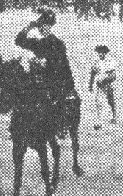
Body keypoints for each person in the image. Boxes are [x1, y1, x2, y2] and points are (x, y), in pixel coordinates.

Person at [14, 8, 76, 137]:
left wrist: (44, 62)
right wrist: (29, 27)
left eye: (46, 25)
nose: (43, 28)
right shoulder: (39, 42)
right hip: (42, 77)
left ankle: (61, 124)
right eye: (41, 25)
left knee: (57, 96)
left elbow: (59, 65)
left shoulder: (58, 43)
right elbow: (18, 40)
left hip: (56, 78)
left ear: (50, 26)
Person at [88, 44, 117, 129]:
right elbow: (92, 74)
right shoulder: (96, 62)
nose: (100, 54)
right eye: (99, 53)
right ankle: (99, 121)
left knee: (110, 101)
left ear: (105, 53)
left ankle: (114, 116)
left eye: (102, 53)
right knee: (98, 102)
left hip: (108, 85)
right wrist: (90, 85)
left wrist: (105, 80)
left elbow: (113, 75)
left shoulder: (110, 62)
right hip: (99, 86)